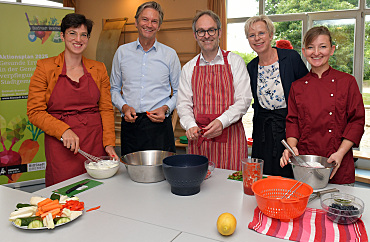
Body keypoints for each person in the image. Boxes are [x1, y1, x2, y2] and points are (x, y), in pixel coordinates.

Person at [27, 13, 118, 187]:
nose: (78, 39)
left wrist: (108, 144)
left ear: (88, 38)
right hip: (61, 144)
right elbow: (34, 111)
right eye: (72, 33)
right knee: (64, 194)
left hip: (94, 141)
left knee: (97, 192)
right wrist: (63, 130)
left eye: (83, 35)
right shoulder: (44, 68)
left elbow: (105, 109)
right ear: (62, 35)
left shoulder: (99, 69)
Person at [280, 26, 365, 185]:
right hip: (306, 165)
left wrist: (340, 154)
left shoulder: (347, 82)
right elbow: (292, 121)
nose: (316, 52)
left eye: (323, 46)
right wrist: (291, 148)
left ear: (332, 50)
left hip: (338, 163)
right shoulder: (297, 86)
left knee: (339, 208)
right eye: (311, 47)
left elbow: (357, 121)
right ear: (304, 52)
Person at [177, 10, 252, 171]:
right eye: (201, 31)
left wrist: (222, 121)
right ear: (195, 35)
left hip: (231, 139)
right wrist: (190, 125)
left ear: (219, 32)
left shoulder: (235, 62)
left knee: (231, 188)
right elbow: (183, 104)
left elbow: (244, 100)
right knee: (199, 187)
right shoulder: (188, 68)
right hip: (199, 140)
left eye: (211, 30)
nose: (206, 35)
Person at [110, 1, 181, 156]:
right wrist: (124, 107)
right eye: (145, 19)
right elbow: (114, 89)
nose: (149, 24)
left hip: (160, 126)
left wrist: (166, 108)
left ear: (159, 26)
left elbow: (179, 92)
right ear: (136, 22)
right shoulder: (121, 52)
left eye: (154, 21)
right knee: (131, 174)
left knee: (164, 174)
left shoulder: (170, 55)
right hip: (131, 124)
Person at [245, 15, 308, 178]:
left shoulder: (291, 58)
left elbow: (306, 90)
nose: (257, 38)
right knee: (263, 178)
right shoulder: (251, 67)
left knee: (287, 176)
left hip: (288, 128)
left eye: (261, 33)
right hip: (262, 131)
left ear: (271, 35)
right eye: (252, 35)